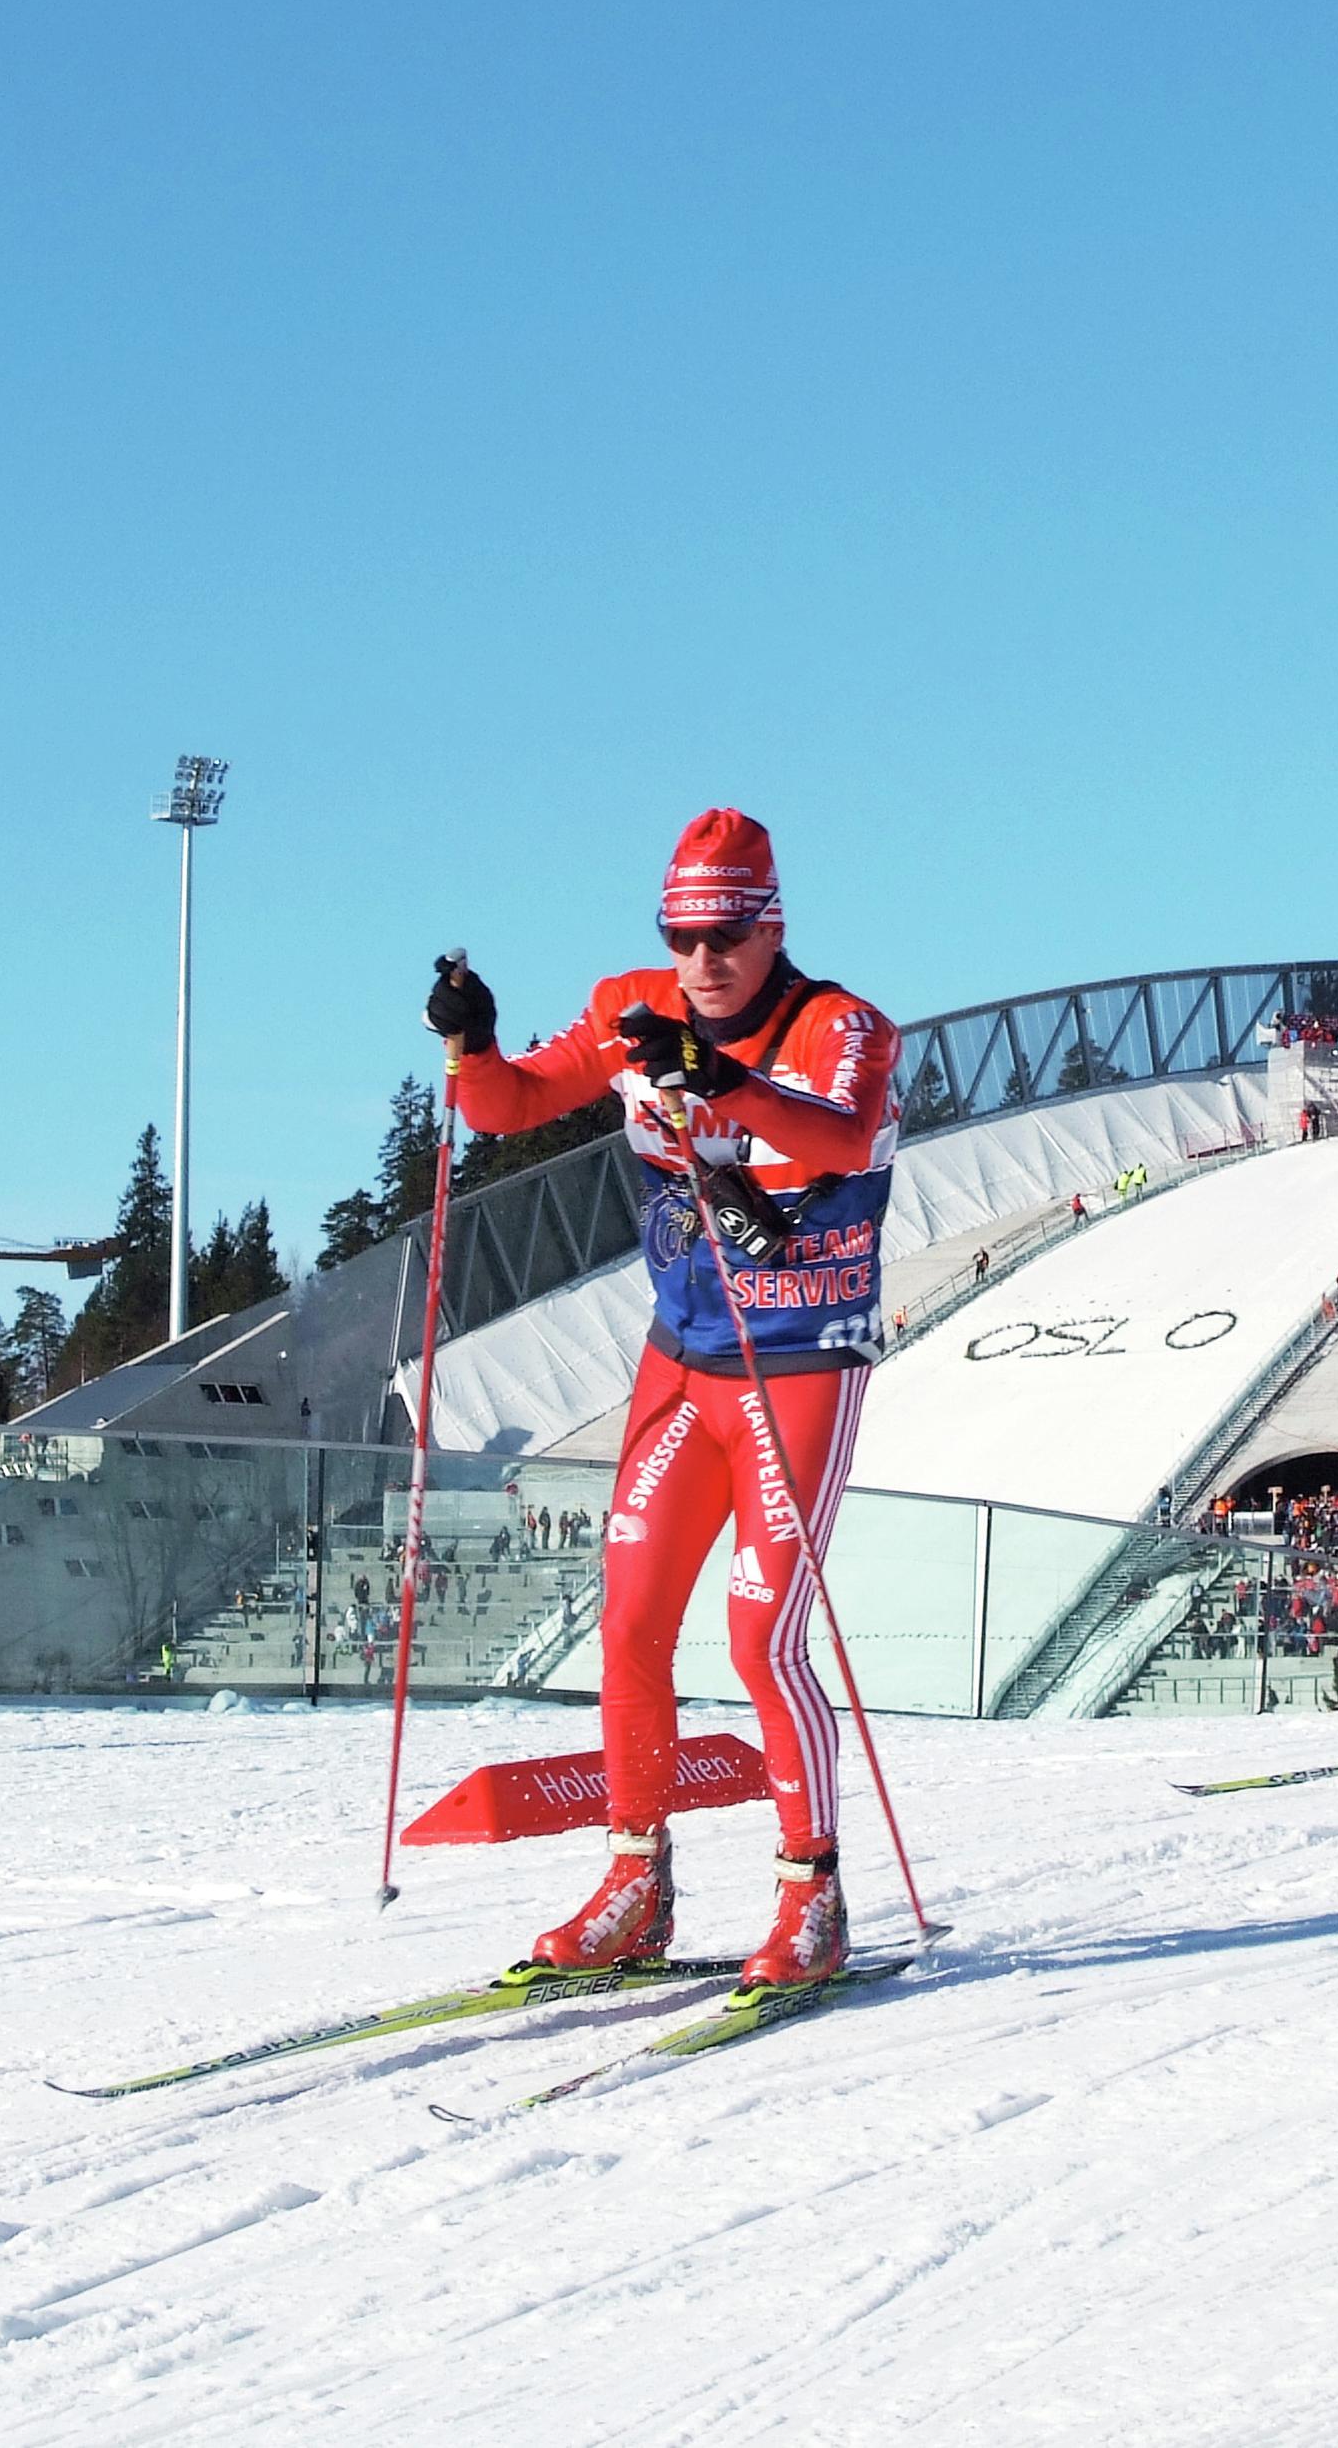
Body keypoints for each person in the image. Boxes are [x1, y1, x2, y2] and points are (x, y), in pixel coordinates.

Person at [426, 808, 899, 1987]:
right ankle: (635, 1881)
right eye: (683, 935)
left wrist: (719, 1078)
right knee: (629, 1624)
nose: (704, 960)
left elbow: (837, 1140)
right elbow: (509, 1107)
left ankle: (812, 1895)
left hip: (799, 1367)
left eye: (726, 933)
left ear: (770, 921)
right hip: (683, 1364)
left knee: (760, 1637)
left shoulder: (842, 1026)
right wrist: (471, 1048)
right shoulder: (636, 1007)